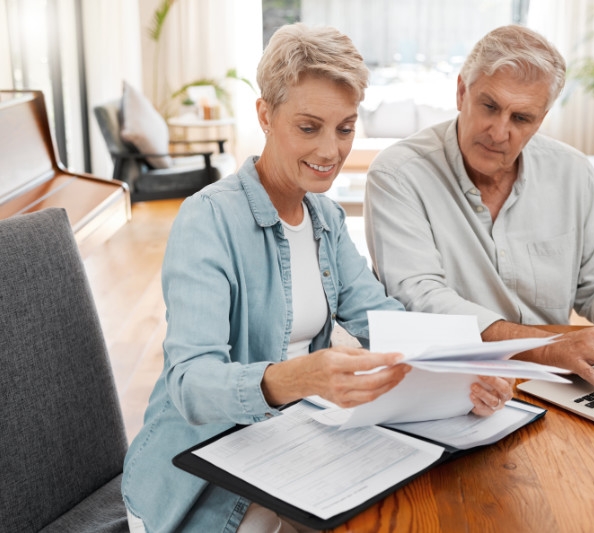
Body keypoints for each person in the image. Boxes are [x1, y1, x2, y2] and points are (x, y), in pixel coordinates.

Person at [122, 23, 512, 533]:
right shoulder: (209, 219)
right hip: (203, 480)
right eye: (309, 128)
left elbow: (382, 319)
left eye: (345, 128)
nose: (331, 151)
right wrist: (302, 378)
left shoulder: (324, 219)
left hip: (294, 451)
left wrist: (466, 369)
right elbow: (190, 384)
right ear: (265, 115)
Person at [364, 25, 594, 399]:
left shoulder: (572, 173)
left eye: (521, 118)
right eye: (489, 106)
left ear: (542, 119)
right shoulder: (398, 174)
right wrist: (548, 347)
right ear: (461, 92)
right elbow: (420, 300)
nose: (499, 132)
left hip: (555, 383)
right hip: (449, 384)